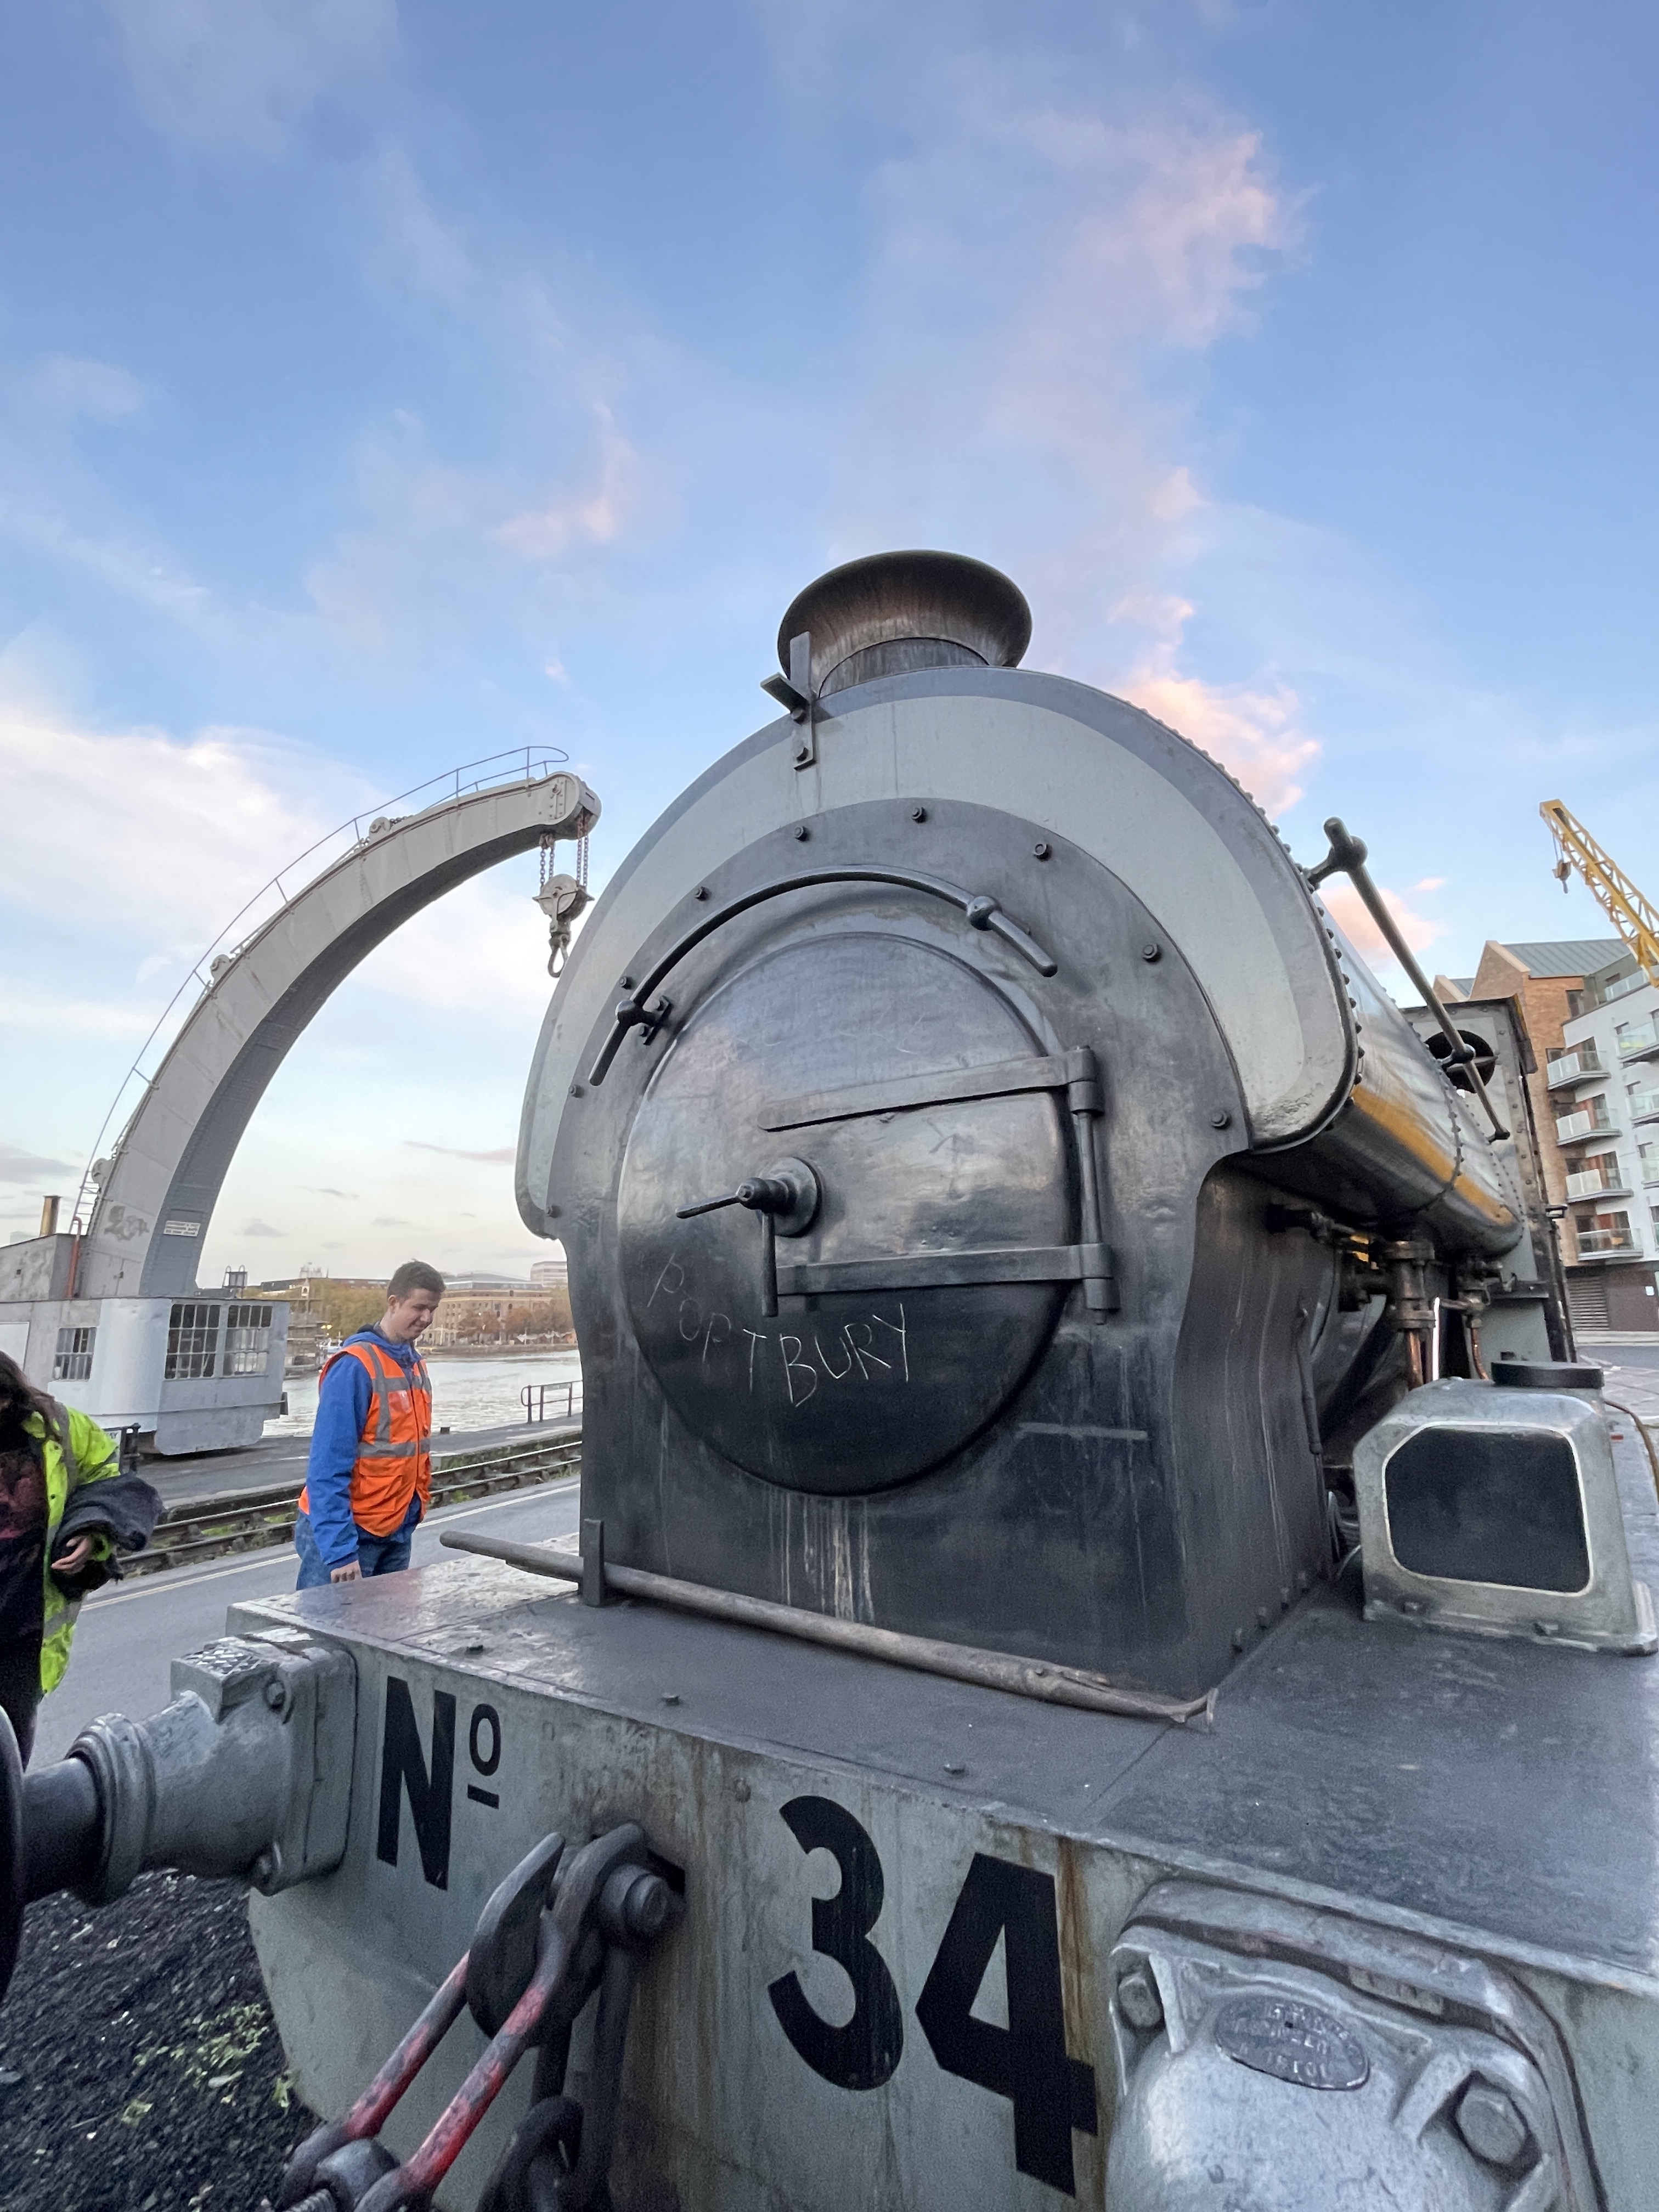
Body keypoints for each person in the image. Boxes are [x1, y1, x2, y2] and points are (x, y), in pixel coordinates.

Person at [0, 1352, 159, 1766]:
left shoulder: (60, 1429)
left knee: (7, 1763)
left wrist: (92, 1532)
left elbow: (109, 1480)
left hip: (22, 1633)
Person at [294, 1261, 444, 1590]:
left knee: (387, 1621)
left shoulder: (414, 1365)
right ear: (394, 1302)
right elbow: (328, 1464)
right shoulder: (355, 1366)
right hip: (352, 1534)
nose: (426, 1318)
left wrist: (411, 1513)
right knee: (328, 1622)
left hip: (395, 1528)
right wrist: (340, 1551)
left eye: (432, 1310)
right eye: (419, 1307)